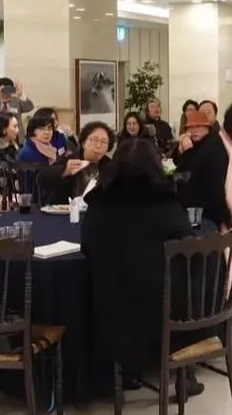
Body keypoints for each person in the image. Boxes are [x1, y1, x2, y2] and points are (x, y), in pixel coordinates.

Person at [81, 138, 206, 398]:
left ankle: (123, 370)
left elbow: (87, 247)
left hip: (110, 312)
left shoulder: (99, 202)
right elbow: (188, 248)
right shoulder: (164, 202)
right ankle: (185, 373)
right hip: (162, 312)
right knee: (185, 277)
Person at [184, 102, 232, 232]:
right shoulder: (215, 148)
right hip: (199, 216)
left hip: (218, 214)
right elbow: (213, 193)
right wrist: (230, 217)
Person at [42, 122, 114, 203]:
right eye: (94, 140)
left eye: (104, 142)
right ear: (83, 143)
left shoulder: (111, 167)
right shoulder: (69, 159)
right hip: (66, 209)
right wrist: (65, 171)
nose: (98, 145)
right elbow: (42, 178)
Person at [0, 77, 34, 141]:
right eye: (4, 90)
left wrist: (21, 95)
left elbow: (30, 107)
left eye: (9, 90)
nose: (7, 94)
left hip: (15, 137)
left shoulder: (17, 101)